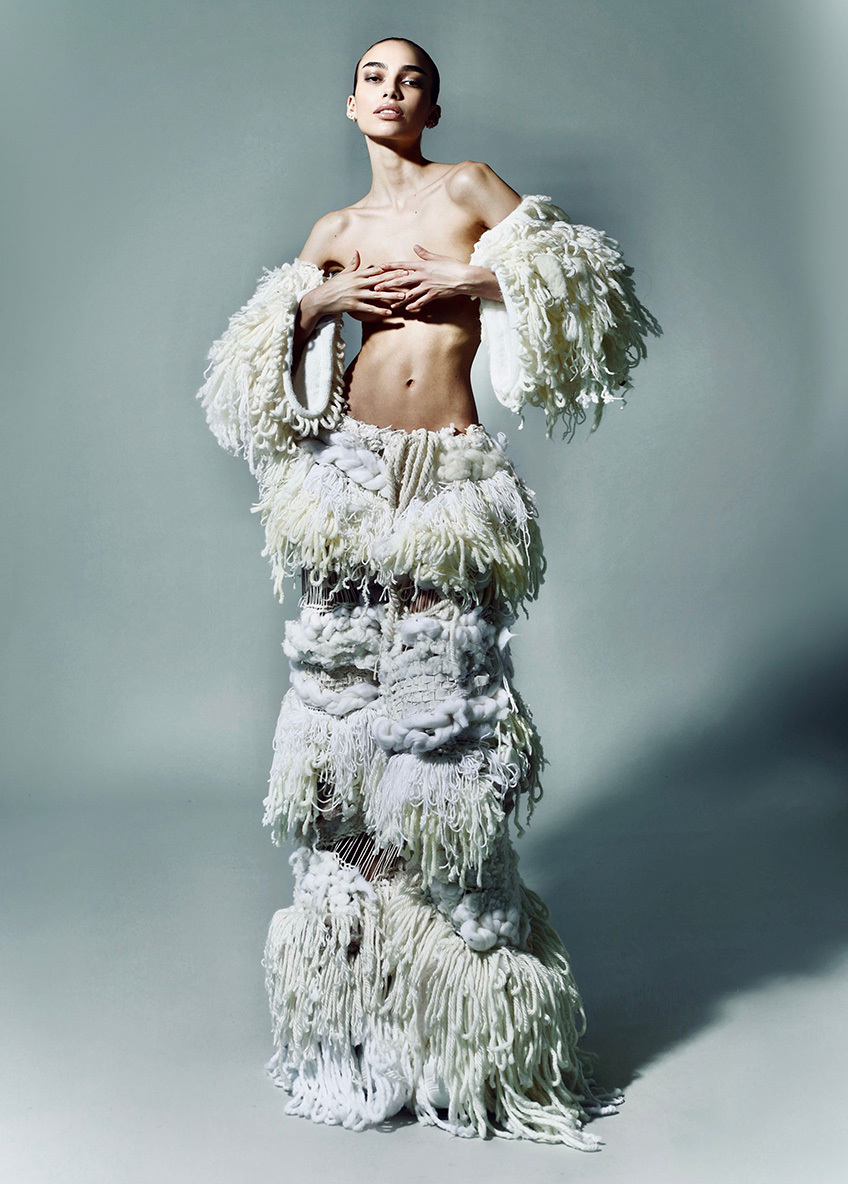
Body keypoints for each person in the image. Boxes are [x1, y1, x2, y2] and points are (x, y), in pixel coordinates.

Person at [198, 36, 658, 1148]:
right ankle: (364, 1015)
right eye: (374, 76)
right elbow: (260, 370)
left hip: (447, 480)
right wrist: (324, 301)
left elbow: (584, 280)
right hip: (348, 480)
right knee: (342, 710)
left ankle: (468, 1023)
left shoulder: (468, 189)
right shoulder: (334, 230)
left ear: (432, 108)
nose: (391, 91)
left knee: (446, 719)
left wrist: (466, 279)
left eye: (410, 79)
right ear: (350, 102)